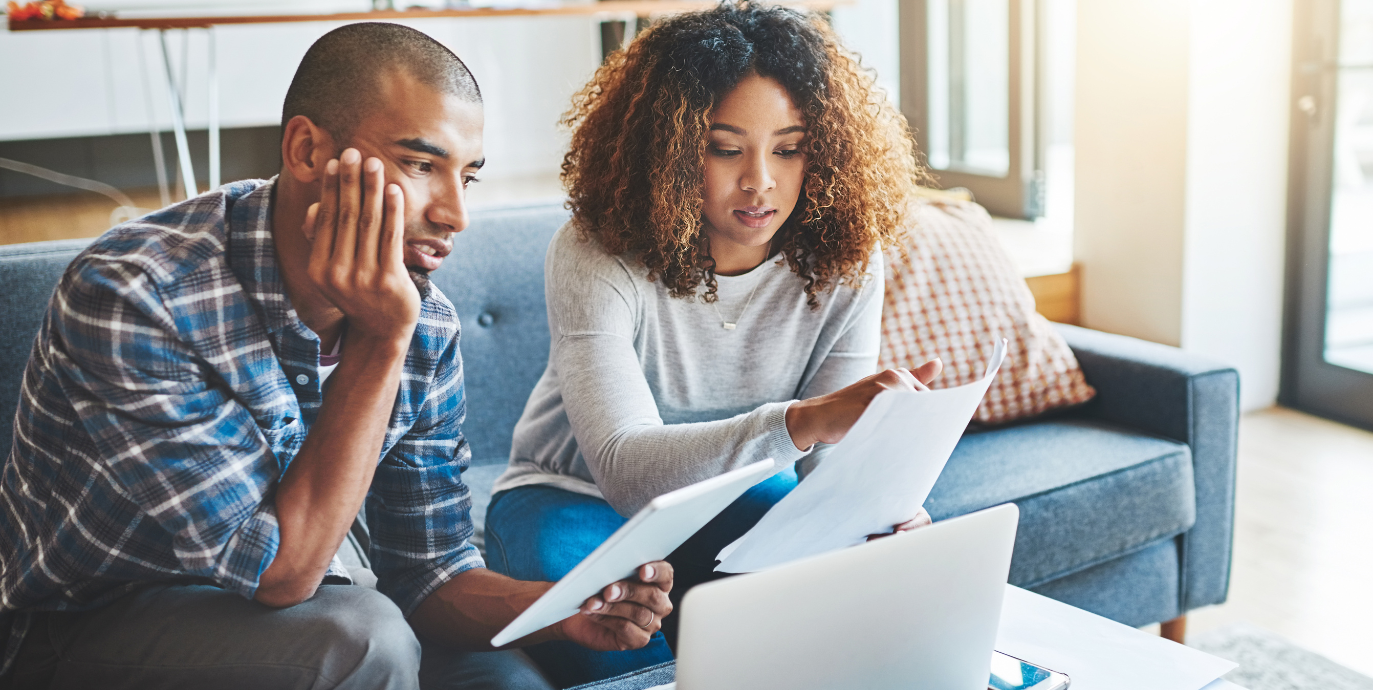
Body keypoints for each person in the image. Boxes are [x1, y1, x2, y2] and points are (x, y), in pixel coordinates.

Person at [0, 23, 672, 690]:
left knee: (503, 682)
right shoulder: (137, 296)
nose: (455, 214)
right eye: (420, 165)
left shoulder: (424, 320)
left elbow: (428, 570)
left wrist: (563, 608)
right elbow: (279, 573)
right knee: (364, 640)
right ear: (305, 149)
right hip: (91, 623)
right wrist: (380, 341)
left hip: (326, 589)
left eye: (466, 176)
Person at [484, 4, 936, 686]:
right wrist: (804, 421)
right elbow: (623, 467)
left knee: (856, 604)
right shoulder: (596, 254)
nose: (760, 181)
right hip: (569, 497)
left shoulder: (846, 257)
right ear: (667, 148)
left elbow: (829, 474)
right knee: (617, 627)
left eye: (789, 148)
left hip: (738, 492)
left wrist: (876, 511)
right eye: (725, 148)